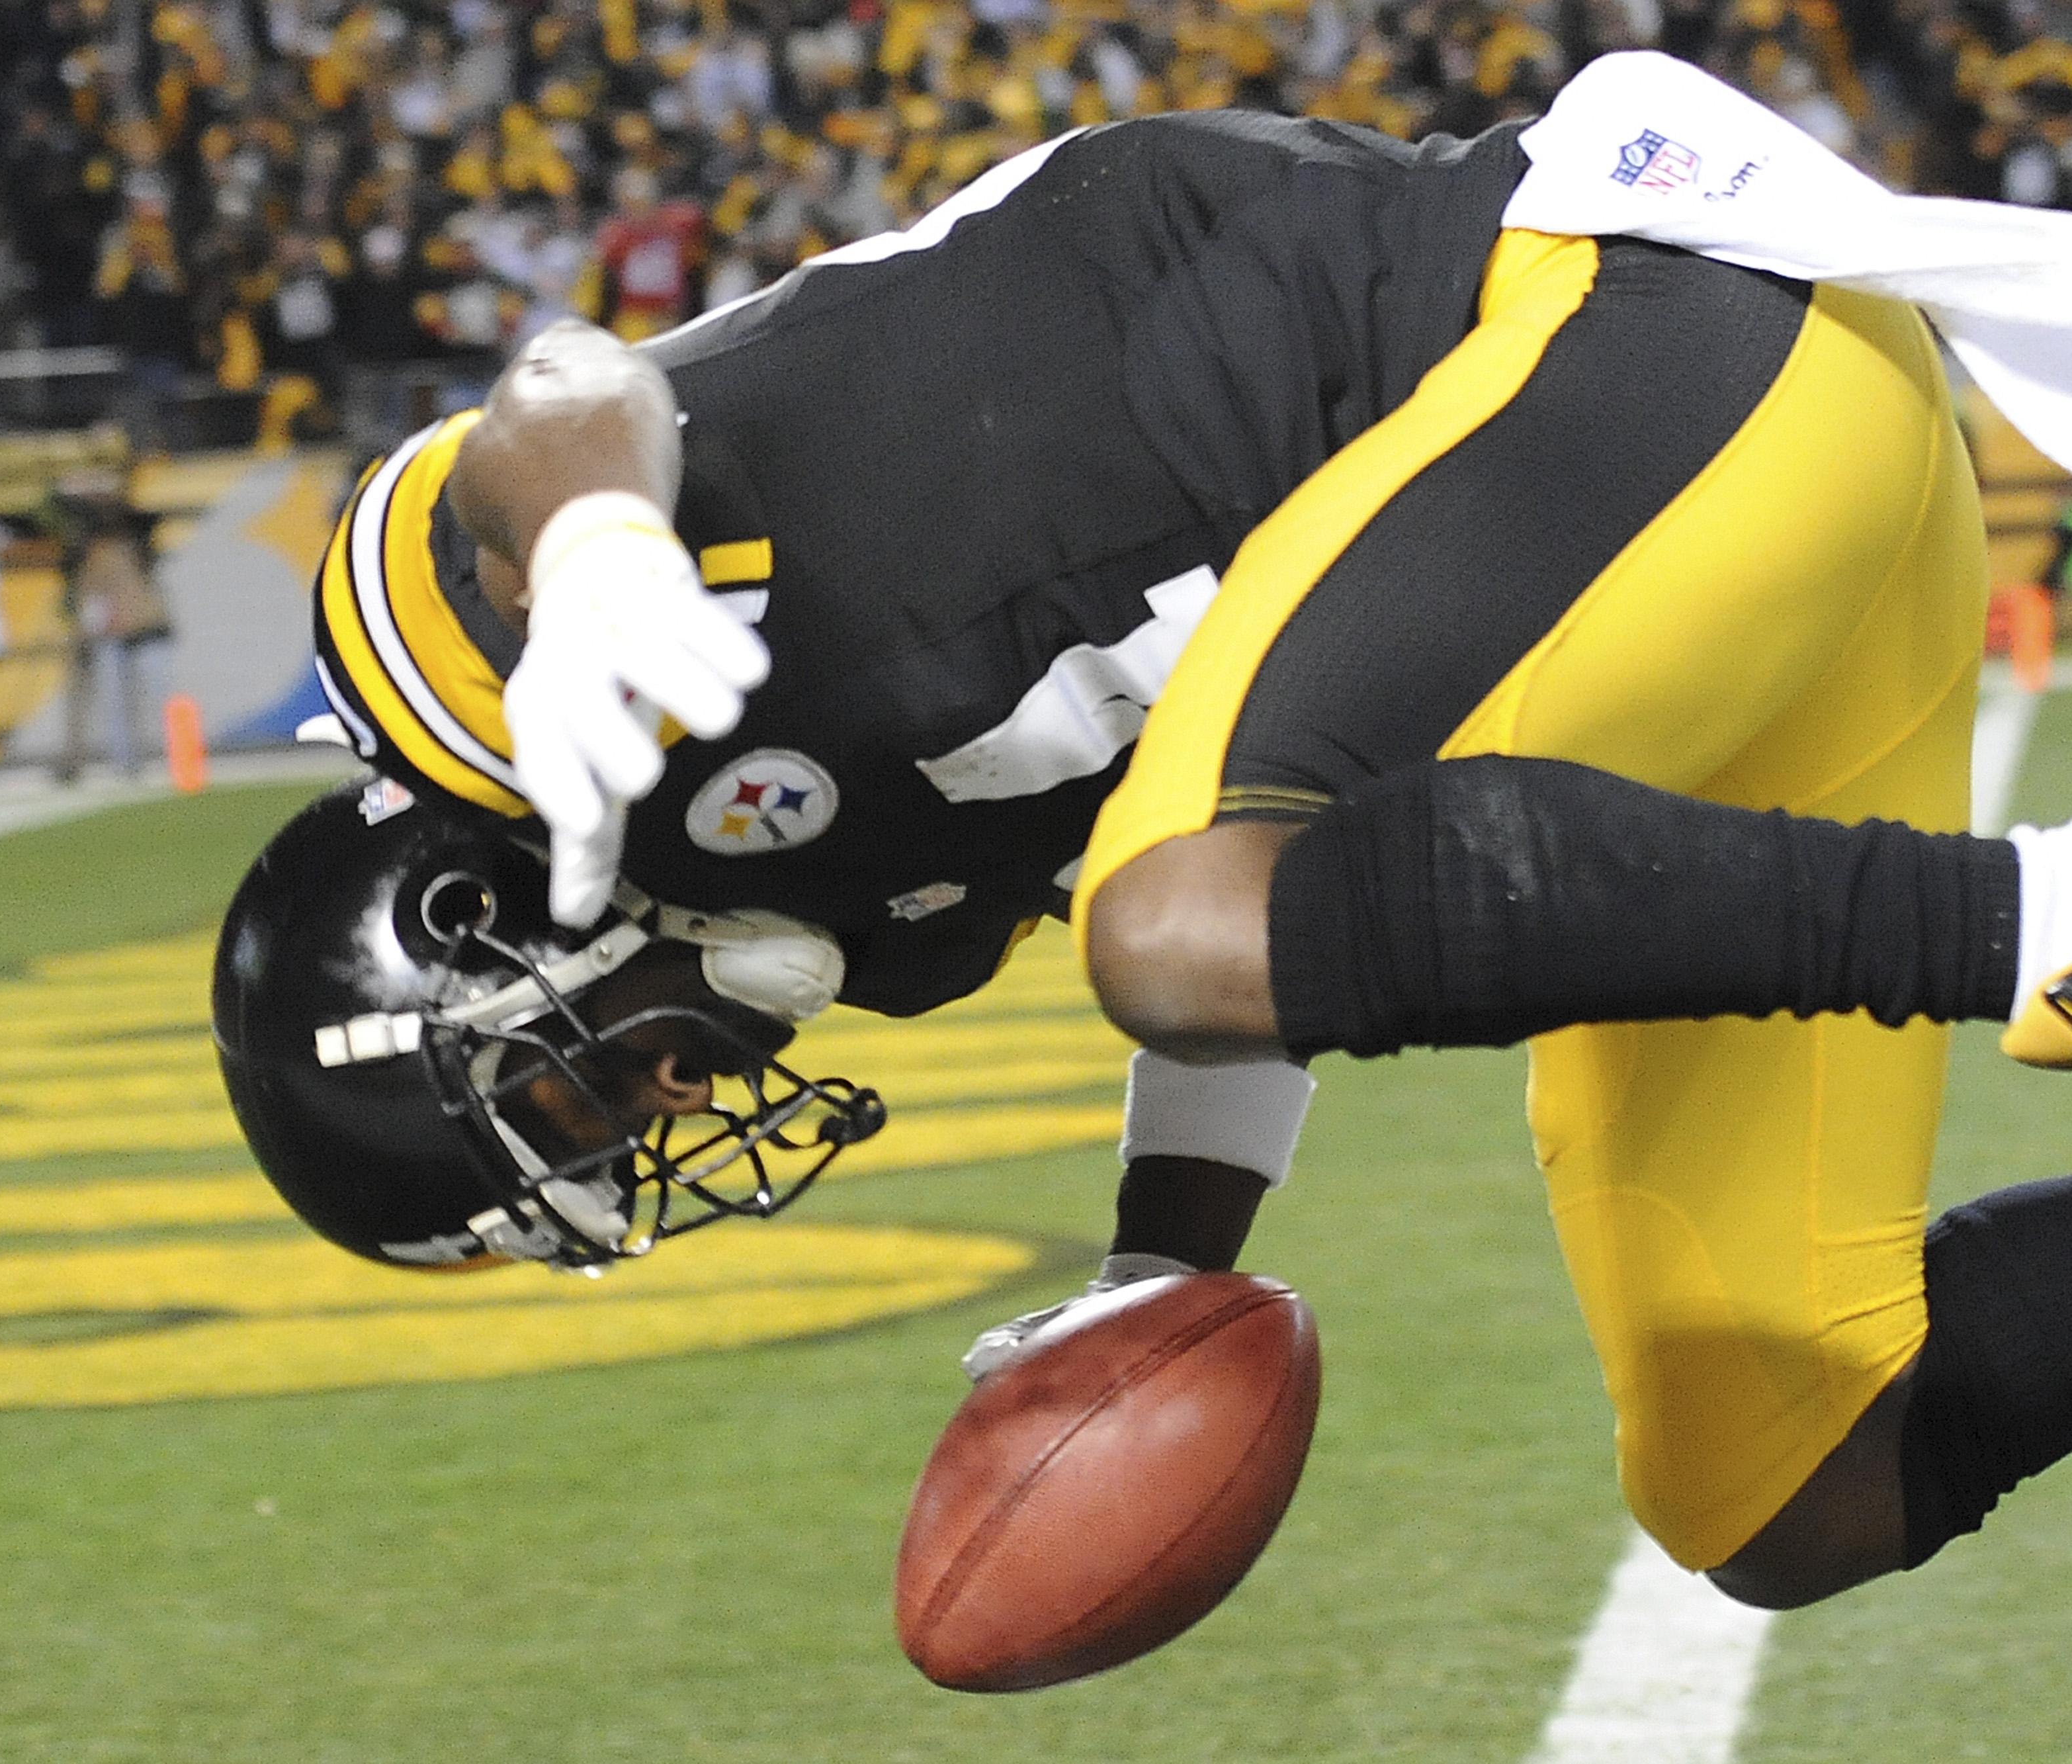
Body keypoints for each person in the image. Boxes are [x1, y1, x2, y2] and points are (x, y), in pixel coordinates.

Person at [216, 54, 2072, 1624]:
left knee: (1174, 924)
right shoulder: (863, 910)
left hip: (1635, 334)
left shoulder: (510, 686)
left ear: (471, 929)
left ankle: (2038, 915)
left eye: (575, 1108)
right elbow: (1238, 828)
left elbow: (556, 392)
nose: (665, 1120)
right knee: (1785, 1473)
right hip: (1720, 557)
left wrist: (598, 548)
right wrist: (1163, 1262)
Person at [60, 501, 173, 779]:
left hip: (138, 631)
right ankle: (129, 764)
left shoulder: (129, 549)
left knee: (149, 701)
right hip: (116, 635)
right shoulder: (99, 556)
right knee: (120, 705)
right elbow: (90, 602)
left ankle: (166, 758)